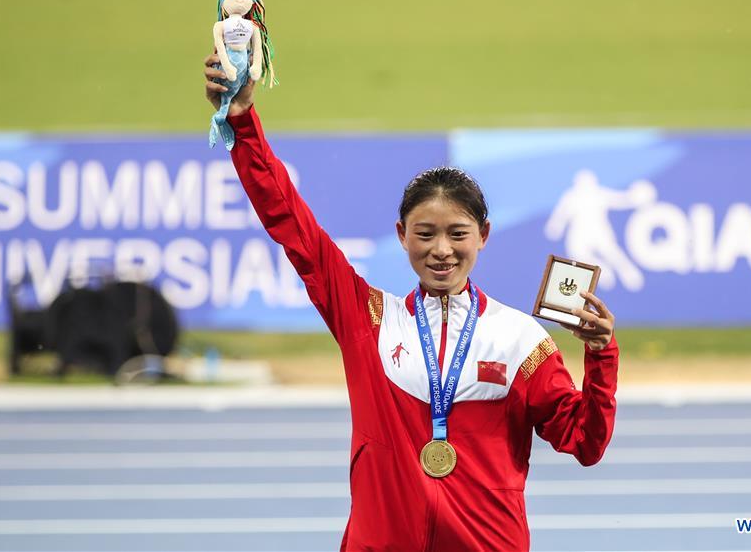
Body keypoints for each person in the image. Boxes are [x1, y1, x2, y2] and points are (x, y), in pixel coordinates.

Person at [203, 57, 620, 552]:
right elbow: (291, 223)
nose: (441, 250)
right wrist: (242, 119)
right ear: (402, 236)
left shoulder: (521, 341)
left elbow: (587, 443)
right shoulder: (367, 319)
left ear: (483, 236)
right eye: (425, 234)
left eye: (457, 234)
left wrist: (601, 356)